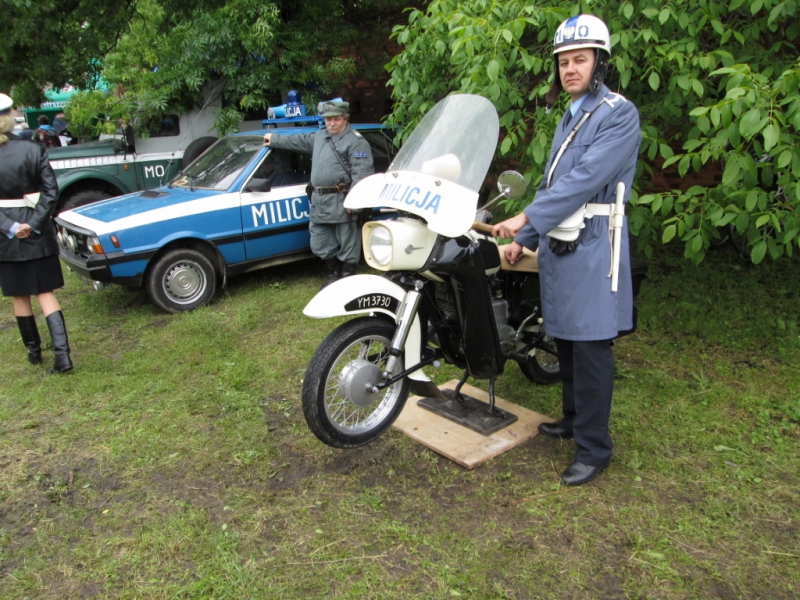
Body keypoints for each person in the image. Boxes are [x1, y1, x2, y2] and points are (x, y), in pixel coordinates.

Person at [492, 14, 641, 486]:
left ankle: (595, 449)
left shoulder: (618, 113)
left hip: (595, 243)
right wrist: (526, 240)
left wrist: (524, 219)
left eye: (580, 59)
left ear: (599, 63)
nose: (570, 69)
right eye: (563, 62)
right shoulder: (570, 115)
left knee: (591, 344)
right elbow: (552, 184)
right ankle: (575, 420)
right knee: (569, 340)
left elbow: (584, 180)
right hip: (561, 241)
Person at [263, 100, 374, 287]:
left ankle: (346, 278)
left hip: (342, 201)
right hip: (319, 201)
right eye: (328, 119)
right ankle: (334, 274)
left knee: (348, 244)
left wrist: (354, 203)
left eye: (336, 119)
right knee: (320, 241)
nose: (332, 123)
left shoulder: (356, 142)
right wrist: (274, 139)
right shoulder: (321, 136)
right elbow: (298, 140)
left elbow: (362, 174)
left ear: (345, 118)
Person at [0, 93, 73, 373]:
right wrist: (33, 223)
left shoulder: (31, 147)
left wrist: (10, 227)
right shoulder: (34, 148)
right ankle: (62, 357)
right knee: (45, 292)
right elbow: (51, 192)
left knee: (19, 295)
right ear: (10, 116)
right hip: (36, 228)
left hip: (5, 234)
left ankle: (34, 353)